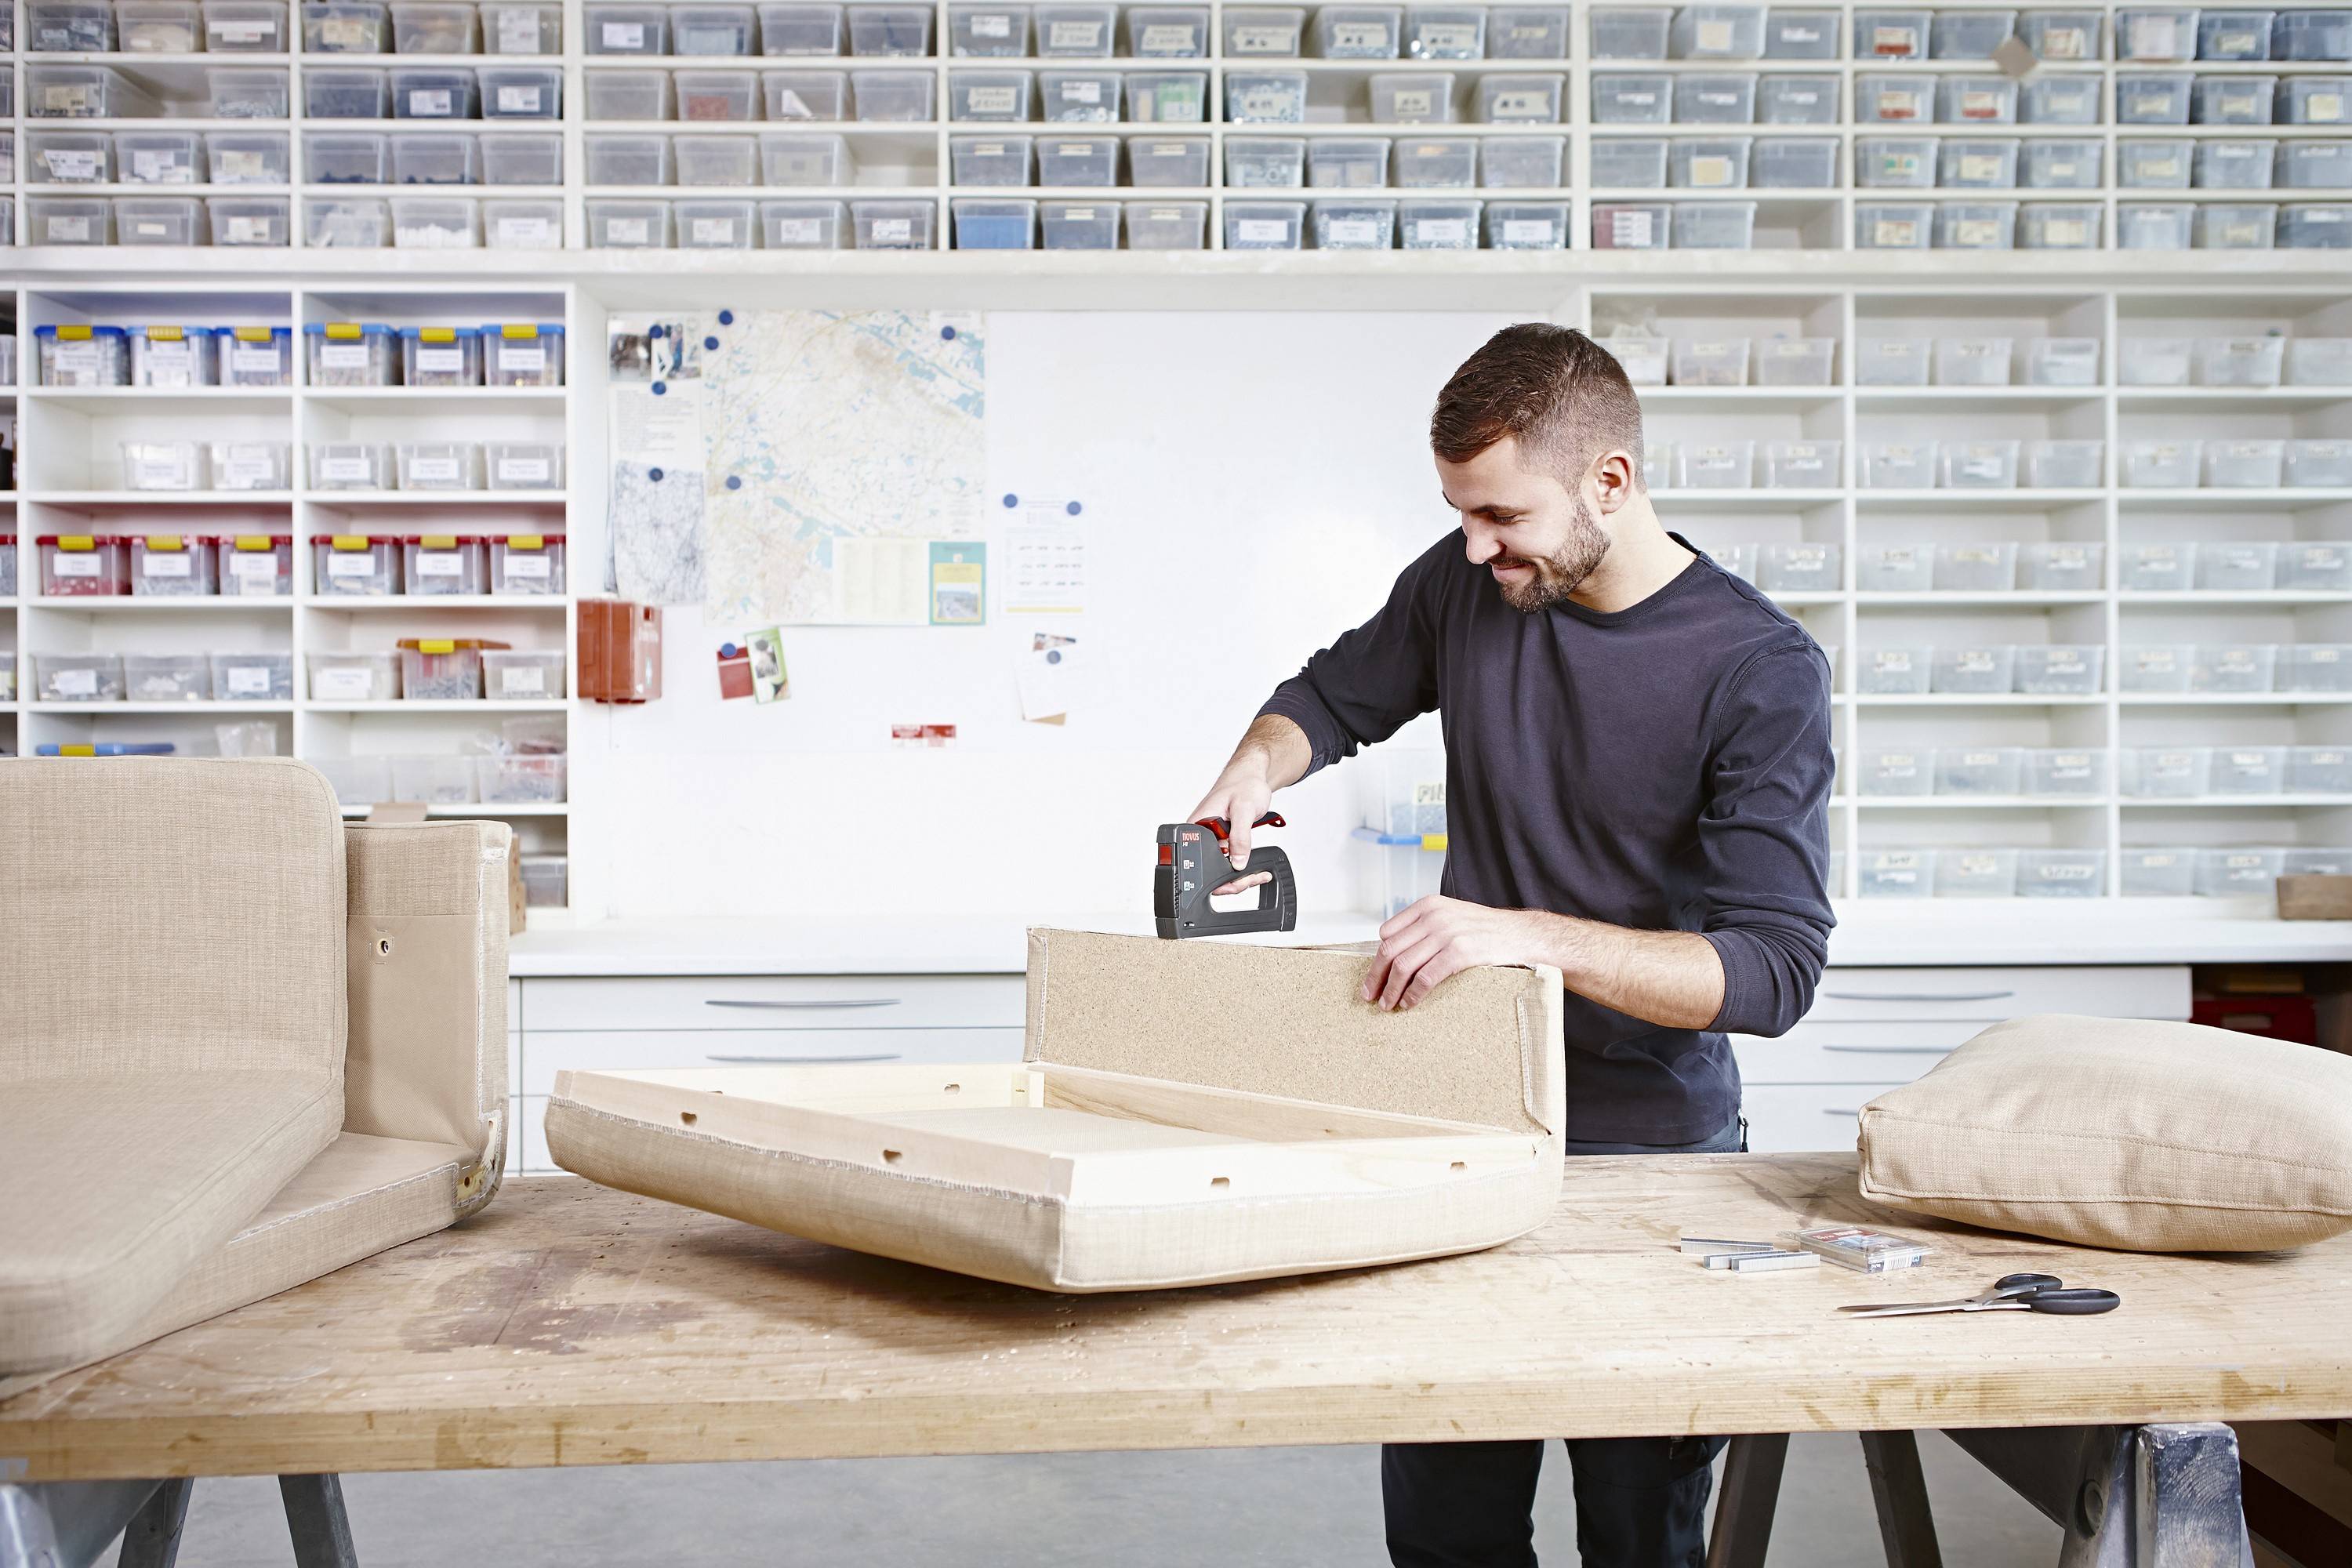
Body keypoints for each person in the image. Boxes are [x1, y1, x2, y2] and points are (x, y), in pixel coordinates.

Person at [1186, 322, 1835, 1568]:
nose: (1475, 546)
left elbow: (1768, 974)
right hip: (1460, 1136)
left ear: (1610, 483)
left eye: (1500, 516)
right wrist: (1249, 771)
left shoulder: (1759, 668)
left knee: (1638, 1536)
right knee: (1446, 1533)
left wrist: (1521, 938)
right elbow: (1330, 698)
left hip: (1650, 1156)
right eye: (1458, 514)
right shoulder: (1470, 583)